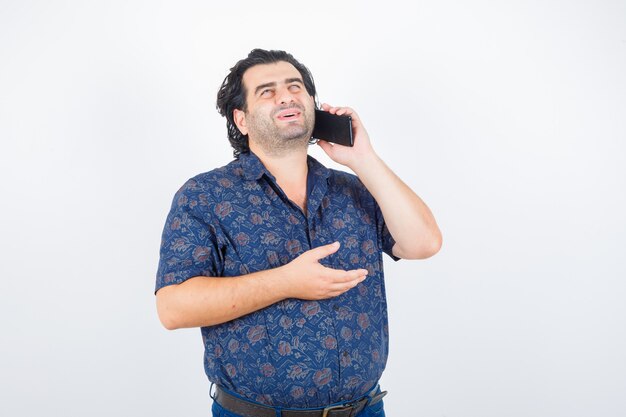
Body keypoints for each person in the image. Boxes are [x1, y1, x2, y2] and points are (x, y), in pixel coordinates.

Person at [155, 48, 442, 417]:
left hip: (364, 409)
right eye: (267, 91)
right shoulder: (204, 196)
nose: (286, 95)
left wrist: (363, 158)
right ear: (241, 119)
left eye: (295, 87)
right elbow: (172, 308)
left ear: (312, 105)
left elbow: (424, 242)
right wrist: (286, 282)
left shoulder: (355, 187)